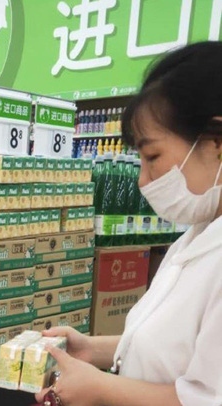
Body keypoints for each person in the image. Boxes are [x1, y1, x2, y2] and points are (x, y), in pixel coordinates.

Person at [34, 41, 222, 406]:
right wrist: (92, 350)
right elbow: (172, 349)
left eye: (152, 156)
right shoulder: (197, 235)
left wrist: (100, 389)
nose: (142, 181)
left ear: (217, 143)